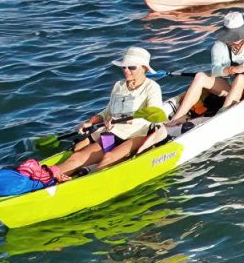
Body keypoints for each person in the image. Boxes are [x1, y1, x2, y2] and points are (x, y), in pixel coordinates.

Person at [53, 47, 168, 178]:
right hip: (113, 133)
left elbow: (155, 114)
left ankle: (84, 184)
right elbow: (107, 112)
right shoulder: (119, 86)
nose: (126, 70)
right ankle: (49, 178)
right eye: (124, 67)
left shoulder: (152, 87)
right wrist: (90, 121)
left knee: (109, 157)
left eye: (131, 67)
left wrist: (129, 118)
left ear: (144, 68)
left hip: (137, 134)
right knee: (78, 156)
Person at [164, 13, 244, 127]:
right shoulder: (219, 46)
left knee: (240, 77)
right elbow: (215, 71)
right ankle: (177, 118)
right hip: (230, 87)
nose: (235, 39)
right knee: (200, 76)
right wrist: (234, 69)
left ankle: (222, 115)